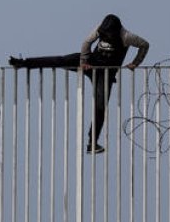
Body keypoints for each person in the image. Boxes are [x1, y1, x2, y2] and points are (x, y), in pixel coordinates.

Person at [9, 14, 149, 154]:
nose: (105, 36)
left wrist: (135, 63)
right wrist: (84, 62)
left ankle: (92, 143)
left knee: (100, 107)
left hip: (105, 74)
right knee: (60, 60)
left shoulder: (126, 36)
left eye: (108, 35)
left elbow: (144, 45)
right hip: (91, 63)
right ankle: (23, 63)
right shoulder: (100, 29)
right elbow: (87, 43)